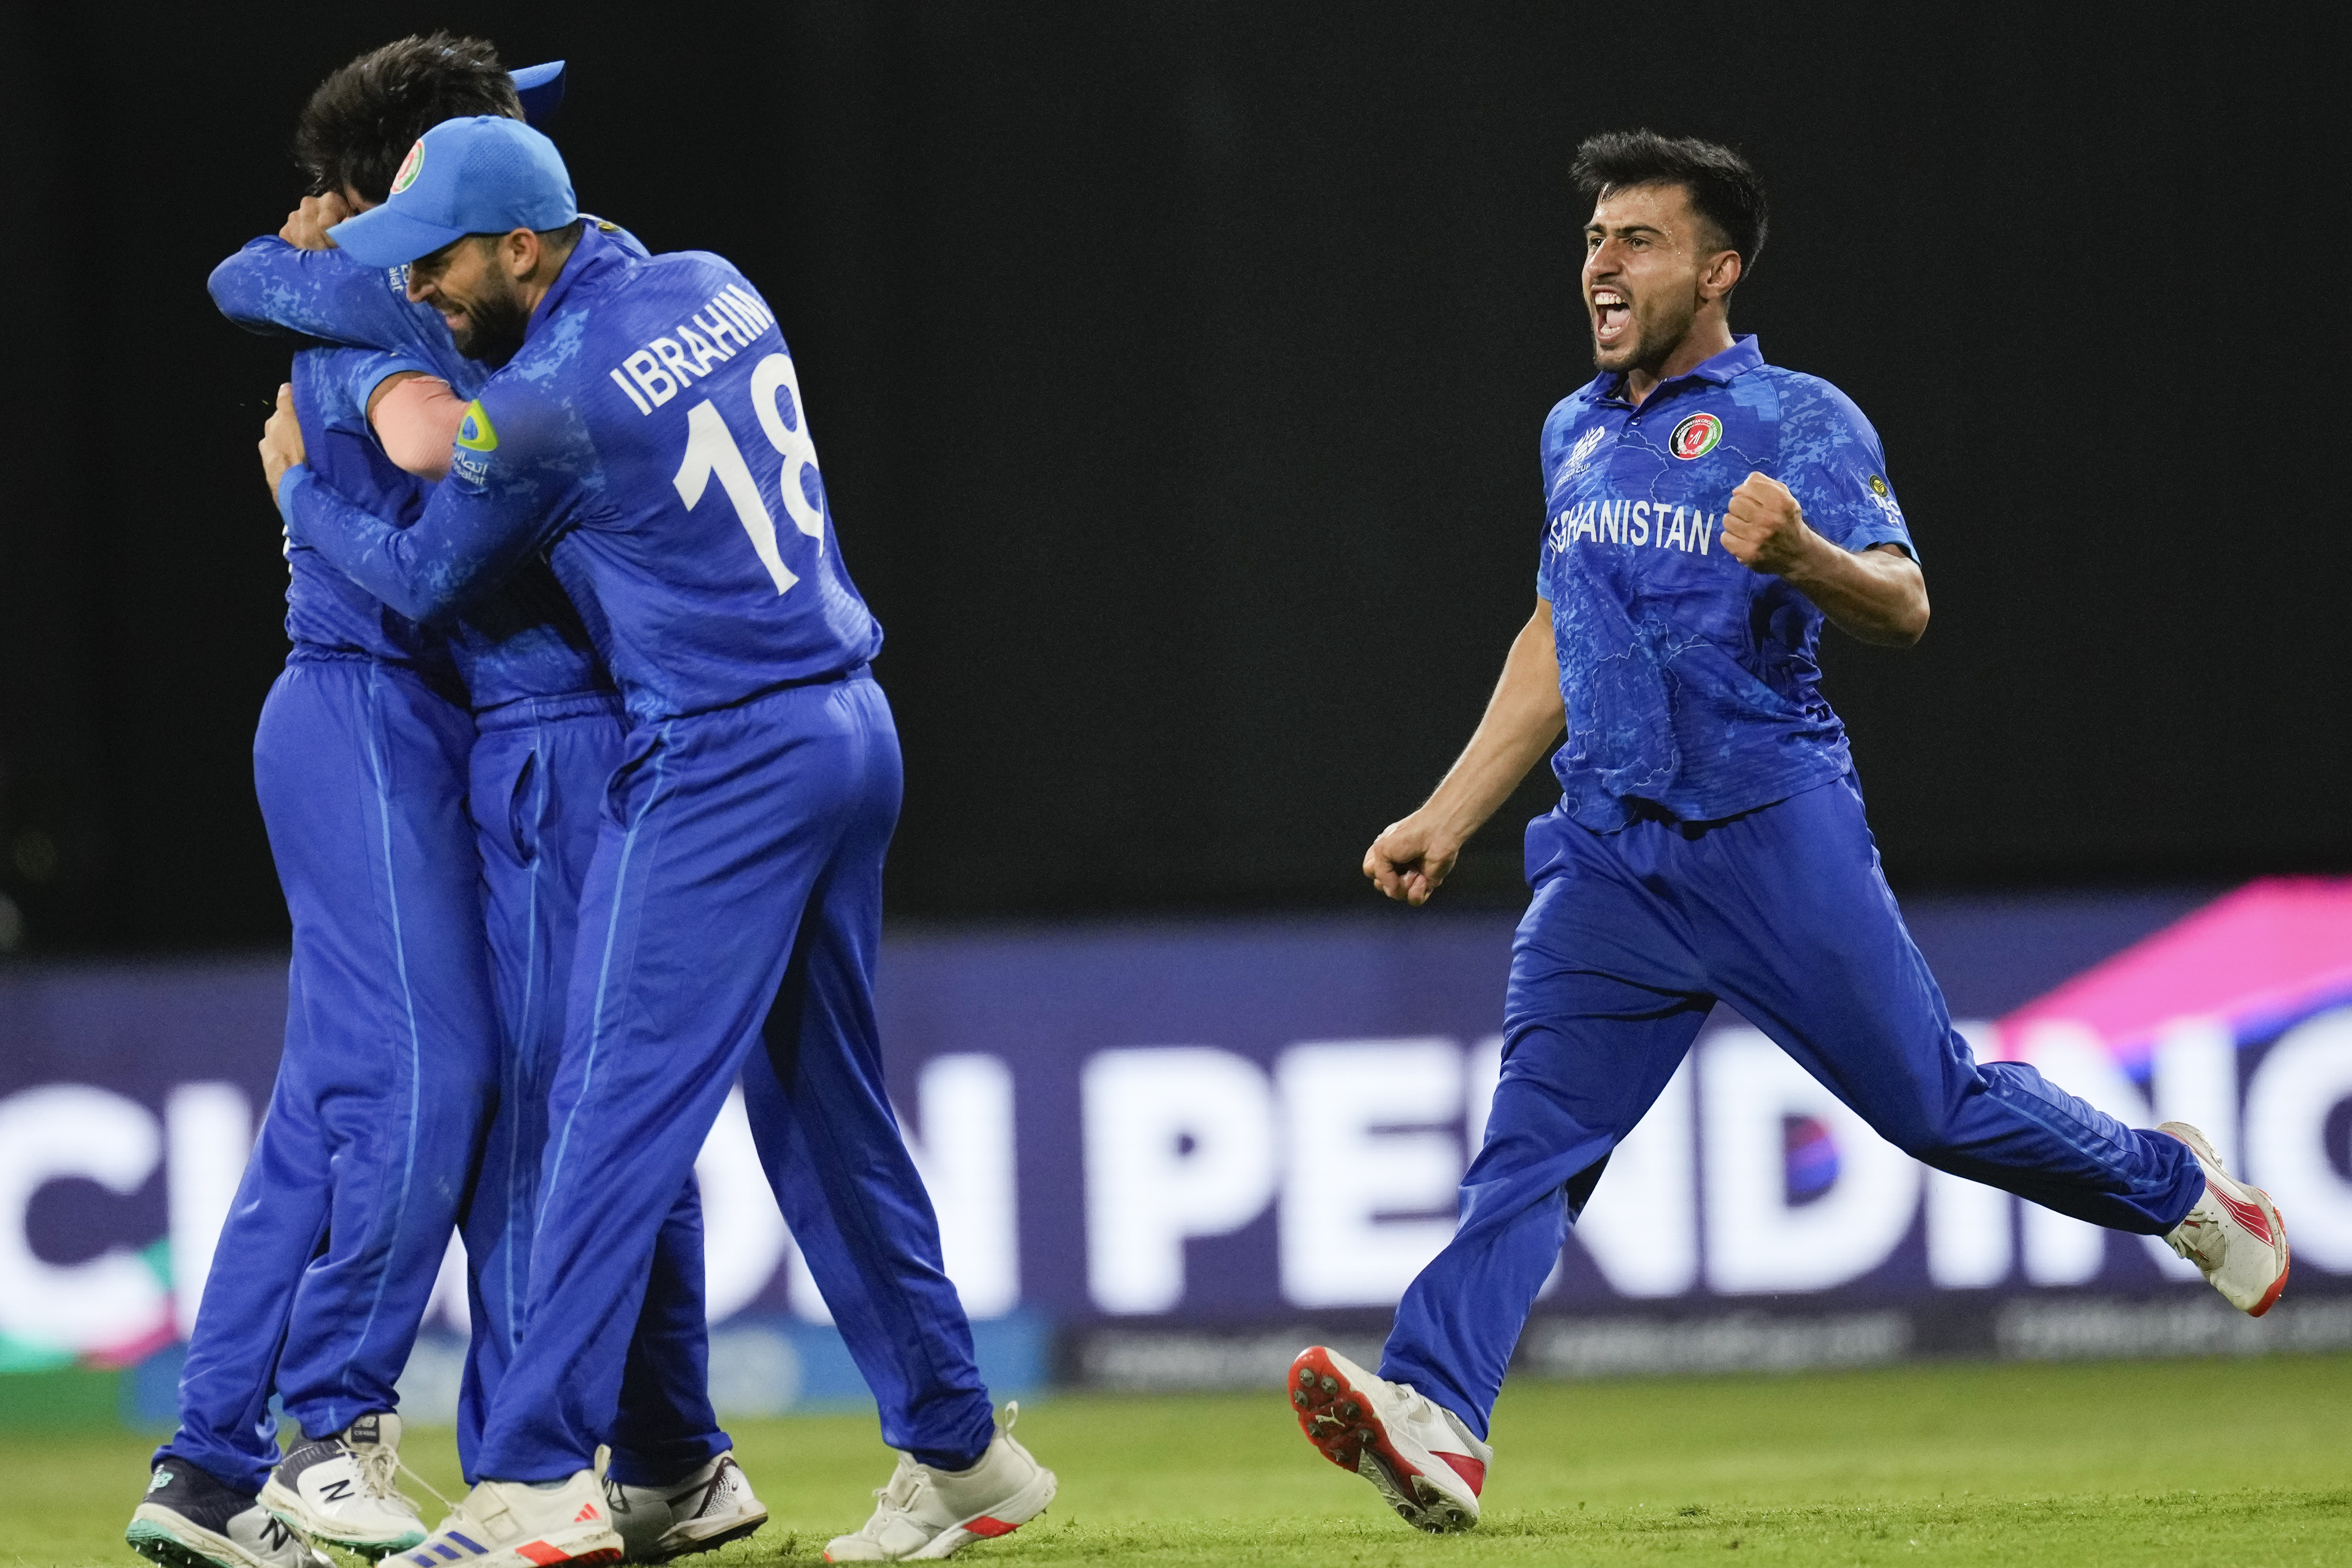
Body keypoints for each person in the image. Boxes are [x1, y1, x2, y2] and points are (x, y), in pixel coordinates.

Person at [1287, 130, 2291, 1536]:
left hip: (1770, 828)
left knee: (1934, 1105)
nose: (1602, 266)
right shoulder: (1574, 430)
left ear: (1719, 268)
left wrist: (1807, 557)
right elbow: (1556, 631)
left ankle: (2183, 1189)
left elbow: (1906, 604)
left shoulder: (1801, 418)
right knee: (1530, 1146)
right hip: (1611, 856)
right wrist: (1451, 809)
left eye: (1637, 240)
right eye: (1594, 241)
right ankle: (1440, 1414)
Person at [256, 115, 1057, 1567]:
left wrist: (304, 491)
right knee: (824, 1109)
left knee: (605, 1115)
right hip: (851, 726)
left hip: (725, 757)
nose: (423, 295)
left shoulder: (545, 405)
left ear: (520, 246)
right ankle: (959, 1446)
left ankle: (534, 1480)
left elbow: (428, 580)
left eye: (439, 264)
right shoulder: (708, 280)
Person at [136, 39, 760, 1568]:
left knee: (359, 1100)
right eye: (485, 133)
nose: (522, 143)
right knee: (445, 1077)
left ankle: (215, 1463)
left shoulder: (452, 282)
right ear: (399, 197)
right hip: (377, 709)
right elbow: (419, 452)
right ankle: (342, 1434)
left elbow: (246, 280)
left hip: (438, 723)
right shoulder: (396, 294)